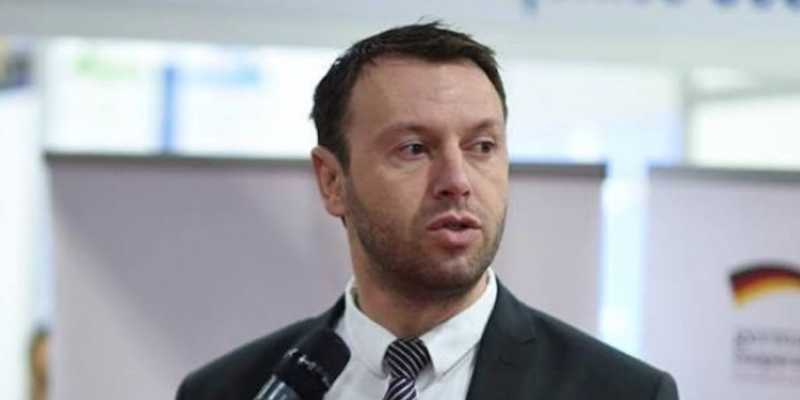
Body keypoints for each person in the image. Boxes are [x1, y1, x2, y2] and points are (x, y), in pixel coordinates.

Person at [176, 21, 679, 400]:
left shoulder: (621, 392)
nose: (457, 181)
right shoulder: (233, 390)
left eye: (482, 147)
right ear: (332, 181)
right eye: (414, 149)